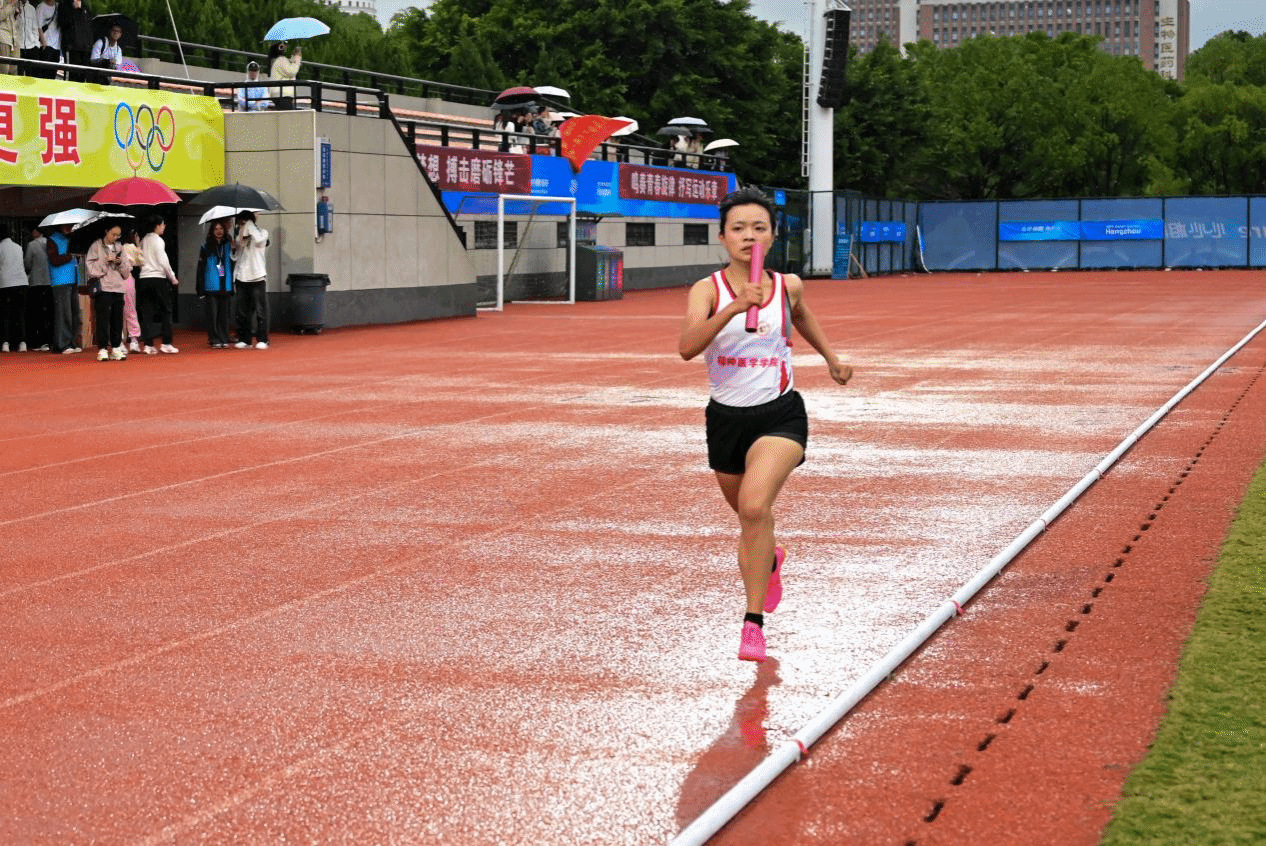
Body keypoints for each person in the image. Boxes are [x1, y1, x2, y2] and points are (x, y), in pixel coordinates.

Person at [677, 187, 853, 663]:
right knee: (749, 518)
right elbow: (687, 347)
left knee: (755, 507)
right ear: (722, 237)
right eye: (738, 228)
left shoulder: (788, 285)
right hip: (725, 420)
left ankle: (752, 624)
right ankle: (769, 558)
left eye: (759, 228)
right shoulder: (708, 290)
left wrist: (832, 358)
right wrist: (734, 307)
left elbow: (801, 315)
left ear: (773, 236)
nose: (749, 236)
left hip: (780, 413)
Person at [84, 222, 133, 361]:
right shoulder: (96, 246)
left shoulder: (120, 247)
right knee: (102, 319)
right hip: (103, 287)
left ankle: (116, 347)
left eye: (118, 235)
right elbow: (90, 269)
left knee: (117, 319)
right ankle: (103, 349)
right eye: (113, 234)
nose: (116, 237)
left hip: (118, 287)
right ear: (106, 231)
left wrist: (119, 262)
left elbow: (127, 272)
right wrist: (105, 261)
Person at [136, 214, 179, 354]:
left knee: (147, 312)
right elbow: (163, 260)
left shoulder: (143, 240)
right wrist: (172, 277)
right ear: (157, 226)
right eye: (163, 224)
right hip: (158, 278)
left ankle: (148, 345)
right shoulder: (158, 241)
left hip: (144, 278)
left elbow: (139, 259)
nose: (164, 227)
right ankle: (166, 343)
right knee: (166, 310)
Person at [231, 210, 269, 349]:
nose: (243, 226)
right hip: (242, 277)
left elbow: (260, 241)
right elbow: (236, 255)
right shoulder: (240, 237)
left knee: (260, 311)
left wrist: (250, 226)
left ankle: (262, 339)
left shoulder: (263, 233)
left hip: (257, 277)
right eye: (241, 223)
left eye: (244, 223)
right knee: (242, 311)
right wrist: (240, 237)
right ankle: (245, 339)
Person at [196, 220, 234, 348]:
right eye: (216, 229)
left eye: (221, 229)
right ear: (212, 231)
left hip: (226, 285)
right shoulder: (205, 246)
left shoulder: (229, 244)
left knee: (224, 314)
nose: (219, 231)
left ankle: (224, 337)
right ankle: (214, 338)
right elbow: (200, 268)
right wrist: (200, 287)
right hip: (211, 284)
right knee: (212, 314)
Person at [46, 221, 81, 353]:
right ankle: (62, 344)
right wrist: (70, 256)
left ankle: (72, 341)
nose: (68, 228)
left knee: (74, 313)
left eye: (70, 226)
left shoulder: (72, 239)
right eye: (66, 226)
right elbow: (54, 260)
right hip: (60, 280)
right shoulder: (52, 240)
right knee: (64, 313)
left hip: (73, 279)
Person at [24, 226, 53, 351]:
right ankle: (50, 340)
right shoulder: (50, 243)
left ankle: (40, 341)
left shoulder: (31, 245)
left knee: (37, 312)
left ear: (37, 232)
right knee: (50, 312)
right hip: (50, 281)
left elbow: (27, 263)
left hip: (36, 282)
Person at [0, 224, 27, 351]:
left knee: (5, 314)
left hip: (5, 283)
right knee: (20, 314)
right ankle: (22, 342)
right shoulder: (18, 247)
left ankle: (5, 342)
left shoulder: (0, 248)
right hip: (22, 282)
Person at [56, 0, 92, 82]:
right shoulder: (64, 5)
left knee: (82, 76)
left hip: (85, 49)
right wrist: (75, 10)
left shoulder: (85, 8)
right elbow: (62, 23)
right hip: (71, 47)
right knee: (71, 75)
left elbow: (89, 27)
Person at [120, 227, 142, 351]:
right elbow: (141, 261)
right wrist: (138, 246)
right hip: (127, 278)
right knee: (130, 309)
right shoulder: (131, 247)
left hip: (114, 280)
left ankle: (119, 341)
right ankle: (133, 340)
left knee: (117, 311)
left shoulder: (115, 247)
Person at [267, 41, 301, 109]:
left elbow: (288, 66)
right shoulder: (281, 60)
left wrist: (294, 57)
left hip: (278, 94)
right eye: (284, 44)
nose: (286, 46)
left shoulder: (276, 60)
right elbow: (291, 71)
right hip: (283, 95)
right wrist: (297, 58)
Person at [32, 0, 60, 79]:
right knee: (44, 73)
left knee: (52, 74)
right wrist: (44, 44)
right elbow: (38, 27)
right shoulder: (41, 7)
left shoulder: (58, 7)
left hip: (57, 46)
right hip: (46, 45)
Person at [0, 0, 20, 75]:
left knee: (14, 70)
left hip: (14, 38)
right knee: (3, 70)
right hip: (3, 37)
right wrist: (11, 4)